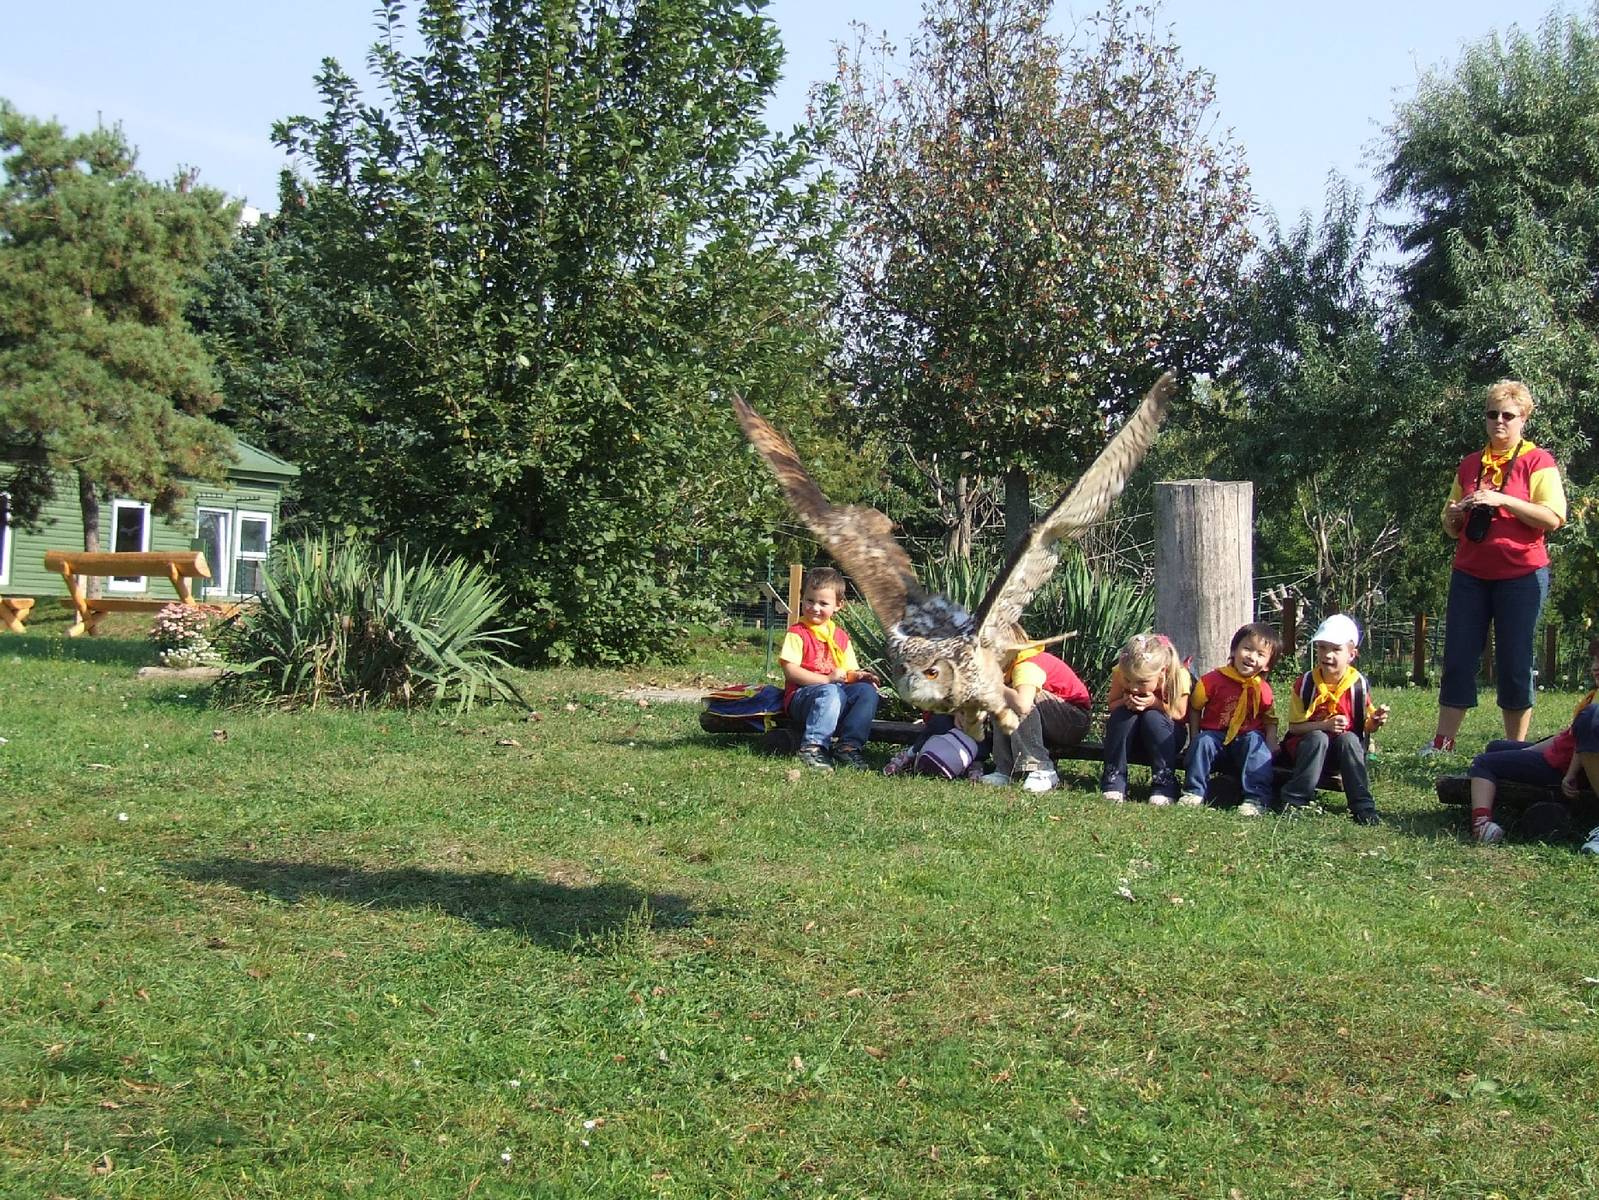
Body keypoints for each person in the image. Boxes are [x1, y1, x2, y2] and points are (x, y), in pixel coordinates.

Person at [1425, 380, 1566, 755]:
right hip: (1470, 573)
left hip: (1521, 574)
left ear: (1523, 419)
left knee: (1515, 659)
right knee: (1458, 655)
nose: (1499, 421)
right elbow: (1450, 524)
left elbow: (1552, 516)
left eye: (1508, 415)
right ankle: (1443, 741)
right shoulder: (1471, 463)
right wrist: (1454, 515)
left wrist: (1501, 498)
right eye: (1492, 414)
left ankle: (1513, 748)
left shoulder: (1538, 461)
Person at [1466, 636, 1599, 845]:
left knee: (1482, 762)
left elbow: (1583, 748)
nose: (1595, 667)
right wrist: (1529, 752)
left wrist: (1571, 775)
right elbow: (1568, 737)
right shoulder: (1593, 696)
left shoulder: (1594, 709)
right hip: (1560, 756)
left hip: (1562, 768)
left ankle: (1481, 824)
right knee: (1495, 747)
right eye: (1594, 661)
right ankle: (1495, 797)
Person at [1278, 614, 1391, 826]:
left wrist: (1374, 722)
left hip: (1341, 754)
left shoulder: (1357, 685)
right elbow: (1294, 727)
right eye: (1322, 647)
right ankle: (1295, 800)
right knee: (1318, 738)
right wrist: (1325, 725)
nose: (1327, 655)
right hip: (1307, 749)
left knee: (1349, 739)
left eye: (1336, 649)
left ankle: (1363, 806)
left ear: (1351, 654)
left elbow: (1363, 725)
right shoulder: (1305, 684)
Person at [779, 567, 880, 772]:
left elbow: (848, 673)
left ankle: (849, 746)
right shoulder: (798, 633)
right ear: (802, 599)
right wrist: (826, 679)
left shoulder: (841, 637)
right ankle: (813, 747)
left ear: (838, 606)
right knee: (831, 690)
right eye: (810, 600)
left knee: (866, 692)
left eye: (823, 603)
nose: (815, 608)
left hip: (835, 697)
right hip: (802, 697)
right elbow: (791, 671)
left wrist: (860, 676)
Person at [1181, 622, 1282, 815]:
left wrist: (1271, 741)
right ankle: (1193, 791)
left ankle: (1255, 798)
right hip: (1217, 736)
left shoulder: (1263, 689)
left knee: (1255, 742)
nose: (1252, 657)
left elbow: (1270, 719)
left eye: (1260, 654)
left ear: (1268, 663)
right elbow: (1195, 707)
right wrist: (1194, 736)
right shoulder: (1211, 680)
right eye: (1247, 649)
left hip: (1245, 740)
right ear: (1234, 650)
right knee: (1203, 742)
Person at [978, 640, 1092, 793]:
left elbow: (1023, 706)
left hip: (1074, 721)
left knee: (1016, 699)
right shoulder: (1009, 666)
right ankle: (1005, 769)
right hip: (1050, 720)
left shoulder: (1027, 666)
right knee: (1004, 698)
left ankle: (1042, 767)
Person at [1099, 633, 1191, 805]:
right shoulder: (1122, 671)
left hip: (1165, 737)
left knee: (1152, 717)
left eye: (1142, 682)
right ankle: (1114, 778)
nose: (1133, 687)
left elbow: (1180, 714)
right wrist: (1124, 702)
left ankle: (1164, 782)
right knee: (1121, 715)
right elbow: (1112, 704)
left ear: (1162, 671)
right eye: (1128, 680)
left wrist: (1154, 703)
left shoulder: (1178, 675)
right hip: (1131, 738)